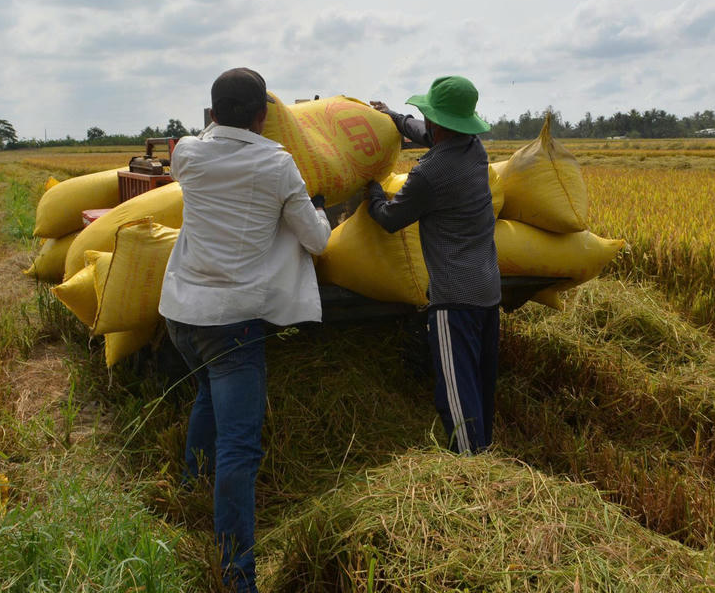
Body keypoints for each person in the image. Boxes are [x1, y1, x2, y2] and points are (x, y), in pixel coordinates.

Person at [158, 67, 331, 593]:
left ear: (211, 114)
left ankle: (192, 487)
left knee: (207, 395)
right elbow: (317, 242)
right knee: (241, 447)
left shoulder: (186, 153)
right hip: (231, 321)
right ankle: (237, 575)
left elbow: (197, 151)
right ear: (263, 117)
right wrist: (316, 213)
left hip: (180, 315)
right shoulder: (278, 164)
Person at [367, 75, 501, 455]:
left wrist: (372, 190)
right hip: (488, 290)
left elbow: (390, 219)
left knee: (456, 396)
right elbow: (428, 134)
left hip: (454, 300)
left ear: (437, 122)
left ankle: (473, 472)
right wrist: (393, 117)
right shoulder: (474, 149)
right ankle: (485, 454)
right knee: (479, 385)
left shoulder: (430, 173)